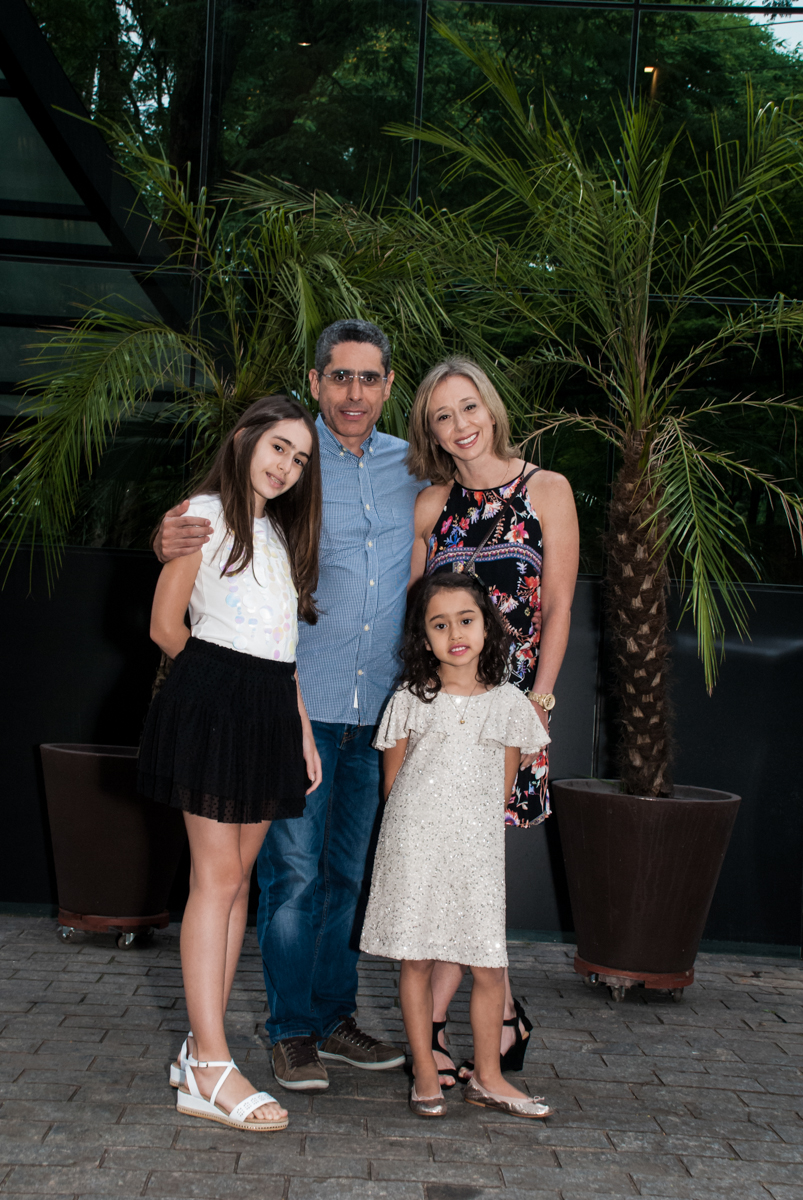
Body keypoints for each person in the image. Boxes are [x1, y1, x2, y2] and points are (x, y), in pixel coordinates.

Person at [153, 320, 422, 1091]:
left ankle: (334, 1021)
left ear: (387, 386)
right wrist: (166, 536)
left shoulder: (411, 466)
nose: (354, 392)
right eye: (339, 376)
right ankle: (289, 1032)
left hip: (370, 706)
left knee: (344, 875)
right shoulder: (280, 471)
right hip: (278, 700)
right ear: (314, 382)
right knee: (289, 879)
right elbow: (202, 546)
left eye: (369, 378)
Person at [138, 395, 324, 1131]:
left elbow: (285, 649)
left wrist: (300, 730)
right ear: (245, 438)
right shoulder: (203, 514)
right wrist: (219, 690)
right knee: (213, 881)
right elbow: (162, 625)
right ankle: (212, 1065)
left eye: (299, 459)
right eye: (278, 447)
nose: (286, 466)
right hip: (217, 704)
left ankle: (199, 1051)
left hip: (271, 709)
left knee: (237, 881)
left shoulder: (278, 535)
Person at [407, 357, 579, 1086]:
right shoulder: (430, 505)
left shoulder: (547, 490)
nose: (460, 426)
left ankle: (453, 1028)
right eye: (443, 416)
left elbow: (559, 606)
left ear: (491, 408)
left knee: (468, 874)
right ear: (431, 431)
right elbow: (413, 624)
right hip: (440, 721)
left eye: (468, 407)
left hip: (507, 720)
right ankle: (493, 1015)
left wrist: (534, 706)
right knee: (449, 873)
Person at [361, 572, 554, 1119]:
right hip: (415, 842)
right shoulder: (409, 699)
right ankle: (425, 1068)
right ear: (424, 639)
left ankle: (488, 1077)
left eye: (465, 620)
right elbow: (393, 783)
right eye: (439, 625)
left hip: (476, 850)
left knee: (489, 964)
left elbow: (503, 787)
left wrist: (467, 832)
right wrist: (425, 830)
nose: (454, 634)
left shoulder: (509, 703)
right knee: (417, 959)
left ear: (487, 628)